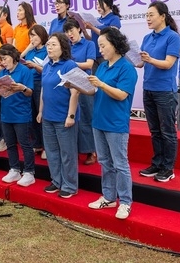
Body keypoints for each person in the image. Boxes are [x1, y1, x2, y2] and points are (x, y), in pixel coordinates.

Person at [87, 27, 138, 220]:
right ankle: (108, 197)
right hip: (98, 120)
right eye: (99, 46)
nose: (100, 49)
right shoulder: (102, 66)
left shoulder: (127, 68)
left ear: (115, 44)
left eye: (103, 45)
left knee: (120, 163)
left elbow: (121, 94)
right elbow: (95, 91)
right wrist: (79, 86)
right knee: (105, 162)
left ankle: (125, 201)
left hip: (116, 123)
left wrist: (101, 84)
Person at [138, 1, 180, 183]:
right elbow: (141, 63)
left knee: (167, 131)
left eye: (151, 15)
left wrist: (150, 59)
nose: (148, 18)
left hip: (165, 91)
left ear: (162, 16)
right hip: (148, 88)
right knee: (154, 130)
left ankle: (168, 167)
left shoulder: (172, 37)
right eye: (146, 15)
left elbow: (168, 64)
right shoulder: (147, 38)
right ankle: (157, 163)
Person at [37, 33, 80, 198]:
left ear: (63, 47)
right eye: (48, 44)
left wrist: (71, 115)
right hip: (48, 116)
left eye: (53, 44)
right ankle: (56, 180)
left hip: (63, 117)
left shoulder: (70, 65)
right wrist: (41, 111)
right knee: (52, 151)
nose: (49, 47)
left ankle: (69, 185)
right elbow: (43, 90)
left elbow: (75, 92)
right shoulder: (47, 66)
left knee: (67, 153)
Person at [0, 44, 36, 187]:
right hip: (6, 113)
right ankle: (14, 168)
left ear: (13, 57)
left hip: (21, 114)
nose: (3, 62)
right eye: (1, 59)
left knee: (25, 144)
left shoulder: (24, 71)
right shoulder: (2, 73)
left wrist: (22, 88)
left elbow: (30, 92)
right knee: (10, 143)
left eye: (5, 58)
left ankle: (29, 172)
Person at [64, 18, 97, 165]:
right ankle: (76, 150)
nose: (70, 34)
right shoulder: (67, 47)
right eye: (67, 32)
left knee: (86, 116)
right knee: (73, 116)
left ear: (79, 29)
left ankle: (91, 151)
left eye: (71, 30)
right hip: (70, 84)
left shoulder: (89, 44)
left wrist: (71, 64)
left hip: (85, 84)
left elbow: (89, 64)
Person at [22, 25, 48, 158]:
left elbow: (49, 71)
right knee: (31, 115)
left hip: (41, 84)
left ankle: (46, 146)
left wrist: (35, 66)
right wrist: (27, 49)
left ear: (42, 35)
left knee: (41, 114)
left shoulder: (47, 50)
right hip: (29, 84)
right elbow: (19, 60)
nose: (32, 38)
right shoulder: (30, 51)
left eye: (34, 35)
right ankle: (37, 143)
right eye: (30, 36)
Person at [84, 0, 122, 74]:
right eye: (97, 4)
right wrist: (84, 31)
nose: (98, 7)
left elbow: (111, 35)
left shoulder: (114, 18)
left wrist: (92, 27)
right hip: (94, 55)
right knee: (95, 80)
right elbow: (91, 39)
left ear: (108, 5)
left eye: (101, 4)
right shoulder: (96, 20)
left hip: (106, 55)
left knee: (106, 79)